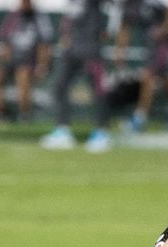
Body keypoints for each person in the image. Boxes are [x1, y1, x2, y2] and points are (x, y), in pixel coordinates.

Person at [39, 0, 112, 153]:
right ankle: (63, 131)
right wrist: (65, 34)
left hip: (91, 48)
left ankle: (102, 133)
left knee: (99, 90)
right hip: (71, 49)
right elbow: (69, 17)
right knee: (59, 86)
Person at [110, 0, 168, 132]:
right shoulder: (129, 5)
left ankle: (139, 118)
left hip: (164, 44)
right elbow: (125, 28)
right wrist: (120, 52)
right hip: (150, 46)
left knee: (148, 75)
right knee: (165, 81)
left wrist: (164, 30)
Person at [0, 0, 53, 121]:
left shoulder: (39, 18)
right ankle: (0, 114)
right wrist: (3, 61)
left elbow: (44, 45)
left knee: (23, 75)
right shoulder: (12, 17)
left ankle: (25, 115)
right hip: (11, 61)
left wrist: (42, 66)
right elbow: (4, 43)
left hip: (29, 62)